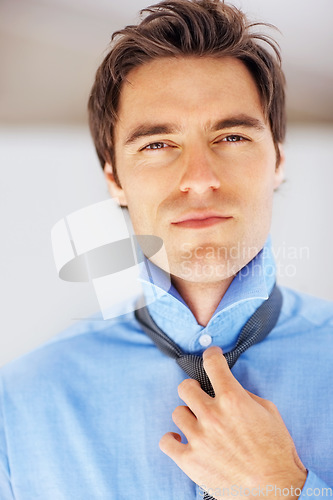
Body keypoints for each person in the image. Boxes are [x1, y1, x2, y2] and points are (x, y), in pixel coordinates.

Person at [0, 1, 332, 498]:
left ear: (278, 160)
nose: (199, 180)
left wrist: (281, 489)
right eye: (157, 145)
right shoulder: (17, 406)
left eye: (232, 135)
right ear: (114, 178)